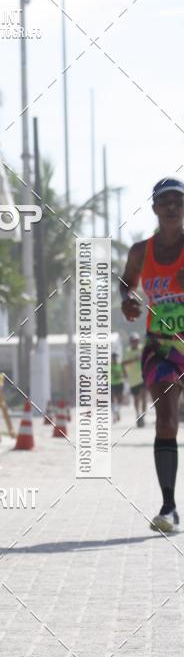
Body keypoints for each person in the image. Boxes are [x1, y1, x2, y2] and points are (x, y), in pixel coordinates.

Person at [120, 177, 184, 534]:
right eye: (166, 202)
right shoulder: (140, 251)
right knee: (166, 421)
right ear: (155, 208)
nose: (172, 207)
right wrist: (127, 300)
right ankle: (169, 506)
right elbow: (127, 282)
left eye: (178, 201)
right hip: (160, 345)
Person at [122, 332, 147, 426]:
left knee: (144, 396)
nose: (135, 343)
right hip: (133, 379)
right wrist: (134, 359)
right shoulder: (128, 351)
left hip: (143, 377)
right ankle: (137, 414)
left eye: (137, 341)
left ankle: (143, 416)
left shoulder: (142, 349)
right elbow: (123, 363)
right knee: (136, 399)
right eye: (133, 341)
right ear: (130, 342)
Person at [110, 351, 124, 422]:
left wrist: (120, 375)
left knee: (119, 400)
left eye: (115, 357)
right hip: (111, 384)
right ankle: (114, 415)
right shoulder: (109, 366)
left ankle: (117, 411)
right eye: (113, 357)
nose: (115, 359)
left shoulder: (120, 365)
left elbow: (124, 374)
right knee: (112, 399)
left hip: (119, 384)